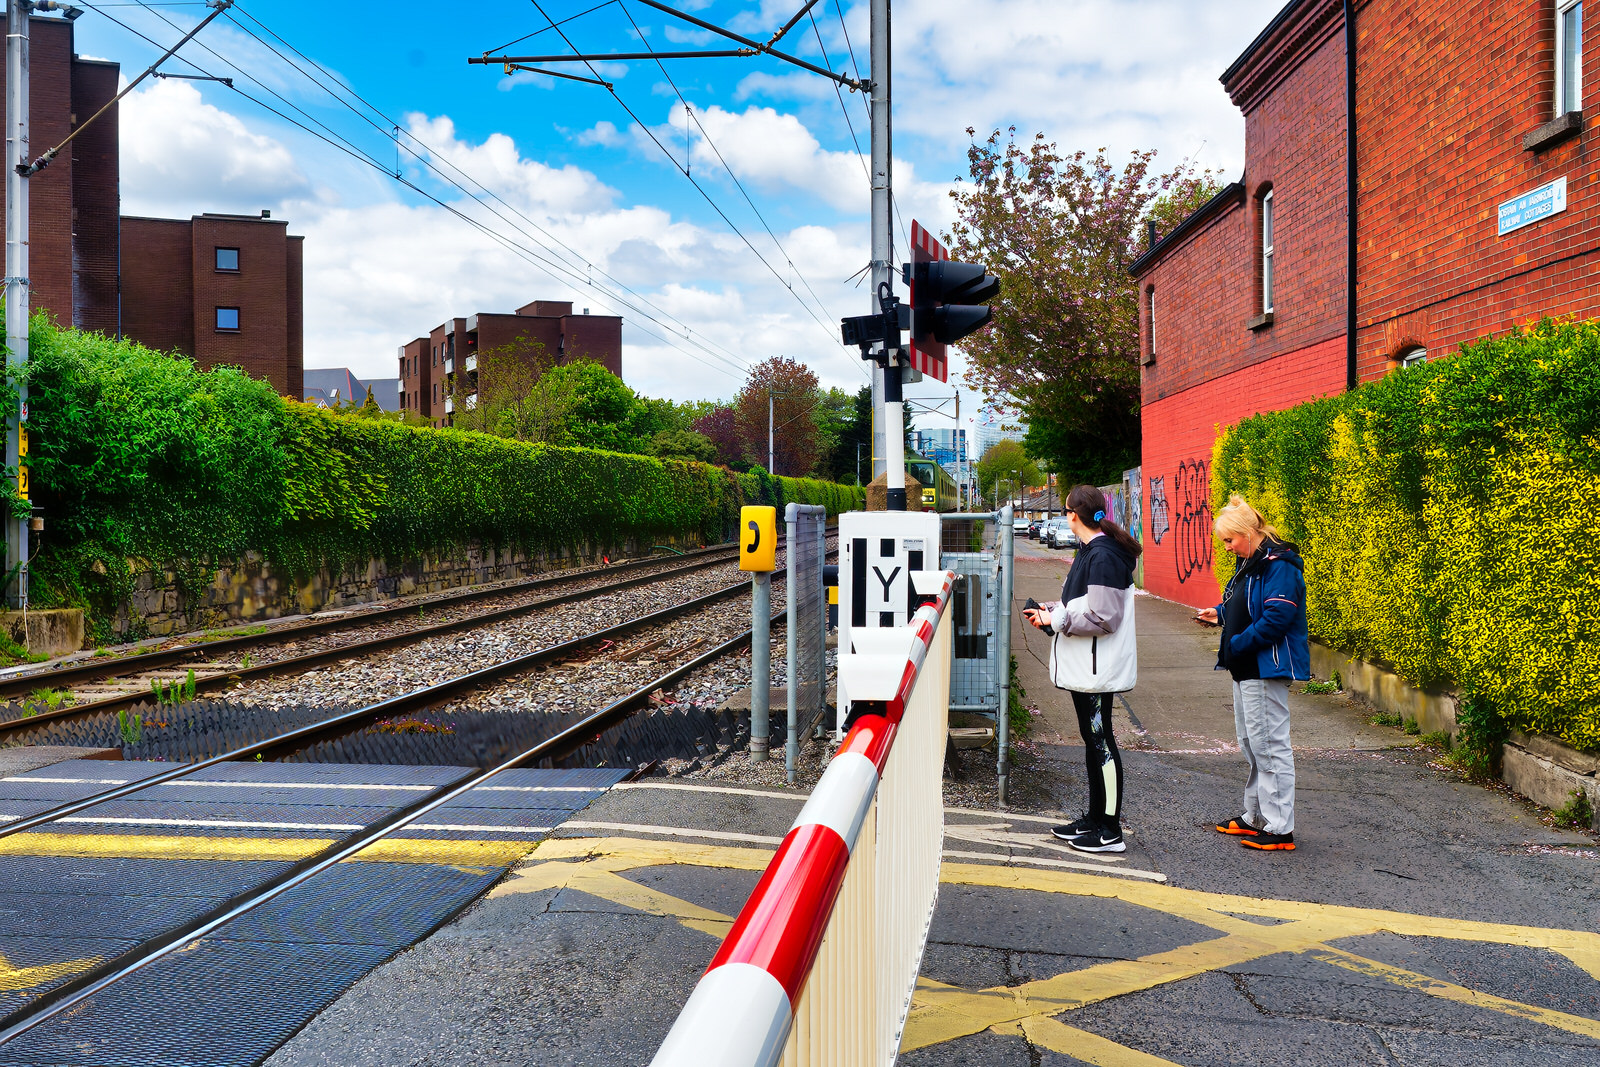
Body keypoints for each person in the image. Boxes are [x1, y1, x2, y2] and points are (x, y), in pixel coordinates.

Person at [1022, 485, 1142, 854]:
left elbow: (1103, 616)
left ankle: (1109, 831)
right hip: (1090, 662)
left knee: (1100, 739)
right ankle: (1095, 820)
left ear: (1073, 513)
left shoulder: (1101, 555)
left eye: (1066, 511)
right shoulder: (1095, 550)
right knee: (1094, 740)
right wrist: (1050, 610)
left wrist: (1054, 619)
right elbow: (1084, 604)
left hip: (1096, 666)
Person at [1194, 495, 1310, 852]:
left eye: (1229, 540)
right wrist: (1220, 614)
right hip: (1245, 668)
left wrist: (1240, 642)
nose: (1227, 547)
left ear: (1247, 532)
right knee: (1251, 744)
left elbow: (1277, 617)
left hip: (1263, 667)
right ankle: (1256, 816)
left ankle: (1278, 829)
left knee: (1270, 747)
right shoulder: (1253, 563)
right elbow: (1244, 605)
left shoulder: (1280, 566)